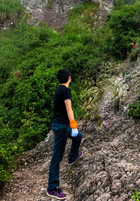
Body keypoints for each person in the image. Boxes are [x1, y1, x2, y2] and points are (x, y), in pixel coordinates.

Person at [47, 68, 83, 200]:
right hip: (62, 127)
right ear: (69, 78)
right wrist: (73, 124)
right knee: (56, 157)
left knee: (78, 136)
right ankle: (52, 188)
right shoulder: (65, 90)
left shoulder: (58, 89)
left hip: (61, 124)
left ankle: (72, 157)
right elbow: (69, 108)